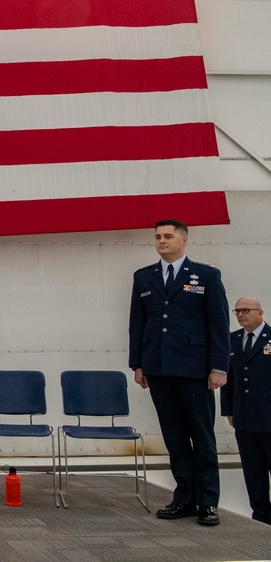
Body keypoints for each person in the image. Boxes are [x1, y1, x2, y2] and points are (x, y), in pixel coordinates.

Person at [128, 219, 229, 526]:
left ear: (184, 240)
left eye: (168, 236)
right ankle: (184, 497)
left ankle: (208, 501)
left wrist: (219, 367)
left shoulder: (207, 276)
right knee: (174, 437)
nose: (162, 241)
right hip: (158, 368)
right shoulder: (144, 277)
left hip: (195, 370)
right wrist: (138, 363)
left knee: (201, 436)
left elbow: (219, 324)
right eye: (158, 236)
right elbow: (137, 323)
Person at [221, 297, 271, 524]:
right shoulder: (232, 340)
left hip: (268, 416)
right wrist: (229, 409)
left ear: (260, 313)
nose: (241, 314)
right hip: (244, 417)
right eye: (237, 311)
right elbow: (227, 377)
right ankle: (261, 516)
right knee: (253, 470)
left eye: (246, 310)